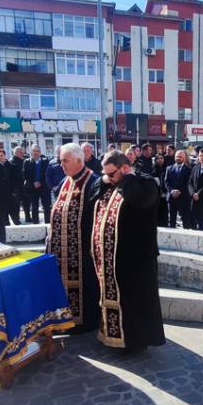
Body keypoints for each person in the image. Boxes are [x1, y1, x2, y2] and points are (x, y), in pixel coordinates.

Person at [90, 150, 165, 352]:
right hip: (114, 258)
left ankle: (134, 343)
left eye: (112, 174)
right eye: (105, 174)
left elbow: (140, 200)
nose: (109, 178)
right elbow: (92, 195)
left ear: (125, 168)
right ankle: (113, 337)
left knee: (136, 302)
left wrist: (127, 180)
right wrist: (107, 180)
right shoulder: (112, 182)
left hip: (137, 258)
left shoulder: (145, 182)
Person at [45, 143, 100, 332]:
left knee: (85, 288)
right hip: (61, 249)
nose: (62, 165)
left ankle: (84, 322)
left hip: (82, 250)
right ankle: (64, 319)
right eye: (61, 161)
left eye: (65, 161)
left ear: (78, 160)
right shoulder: (66, 180)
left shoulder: (93, 181)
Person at [164, 149, 192, 228]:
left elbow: (188, 183)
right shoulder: (169, 168)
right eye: (176, 156)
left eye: (180, 157)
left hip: (183, 198)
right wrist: (172, 191)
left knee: (185, 220)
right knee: (172, 220)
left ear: (184, 157)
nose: (178, 158)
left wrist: (179, 191)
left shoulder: (189, 169)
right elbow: (166, 182)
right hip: (171, 198)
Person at [23, 145, 51, 224]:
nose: (36, 152)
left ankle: (48, 224)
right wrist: (34, 182)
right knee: (34, 207)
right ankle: (36, 223)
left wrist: (40, 182)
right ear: (31, 152)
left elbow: (47, 174)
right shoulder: (27, 162)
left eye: (38, 151)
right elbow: (25, 175)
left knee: (46, 207)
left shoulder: (45, 161)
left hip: (44, 187)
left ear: (40, 152)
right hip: (32, 188)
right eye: (34, 151)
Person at [8, 146, 28, 224]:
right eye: (21, 152)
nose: (23, 153)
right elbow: (10, 176)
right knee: (16, 205)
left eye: (23, 152)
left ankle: (28, 217)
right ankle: (16, 220)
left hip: (24, 186)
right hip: (16, 187)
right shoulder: (12, 162)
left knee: (26, 202)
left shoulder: (24, 160)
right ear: (16, 153)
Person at [152, 154, 169, 226]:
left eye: (161, 158)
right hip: (156, 195)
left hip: (165, 194)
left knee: (164, 212)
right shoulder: (153, 169)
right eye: (158, 158)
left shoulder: (167, 168)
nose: (160, 160)